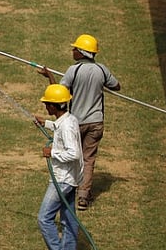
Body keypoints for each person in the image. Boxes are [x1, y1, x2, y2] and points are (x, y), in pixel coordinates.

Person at [38, 34, 120, 210]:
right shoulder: (101, 70)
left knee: (73, 155)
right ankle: (83, 196)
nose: (72, 51)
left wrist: (50, 76)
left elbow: (59, 93)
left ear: (82, 52)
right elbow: (116, 86)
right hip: (96, 122)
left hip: (76, 122)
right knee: (88, 158)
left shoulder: (73, 71)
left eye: (75, 48)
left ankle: (70, 187)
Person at [34, 84, 84, 250]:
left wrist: (51, 153)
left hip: (62, 180)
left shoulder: (67, 126)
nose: (46, 107)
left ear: (54, 106)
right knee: (68, 220)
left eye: (47, 104)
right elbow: (60, 127)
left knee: (44, 218)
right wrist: (45, 123)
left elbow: (74, 153)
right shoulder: (69, 119)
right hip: (71, 179)